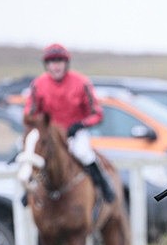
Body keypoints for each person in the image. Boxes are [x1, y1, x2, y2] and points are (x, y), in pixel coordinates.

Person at [23, 43, 115, 202]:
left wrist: (81, 125)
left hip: (74, 133)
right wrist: (37, 124)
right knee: (31, 153)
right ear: (46, 65)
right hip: (49, 135)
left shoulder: (81, 82)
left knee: (83, 153)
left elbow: (97, 114)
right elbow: (29, 113)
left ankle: (103, 186)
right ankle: (28, 191)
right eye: (52, 62)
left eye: (59, 61)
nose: (56, 66)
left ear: (66, 63)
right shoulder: (38, 84)